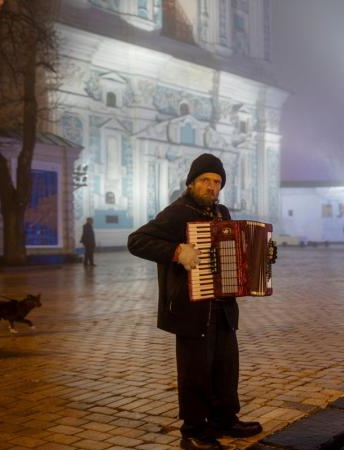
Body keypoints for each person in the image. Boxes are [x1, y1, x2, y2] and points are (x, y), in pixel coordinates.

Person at [127, 154, 262, 450]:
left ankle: (224, 419)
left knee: (226, 367)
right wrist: (177, 252)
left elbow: (236, 252)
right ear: (191, 182)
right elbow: (136, 241)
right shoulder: (177, 213)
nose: (211, 187)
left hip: (222, 306)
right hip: (191, 309)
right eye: (205, 180)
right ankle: (193, 431)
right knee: (195, 371)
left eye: (216, 182)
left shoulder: (222, 212)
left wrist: (258, 257)